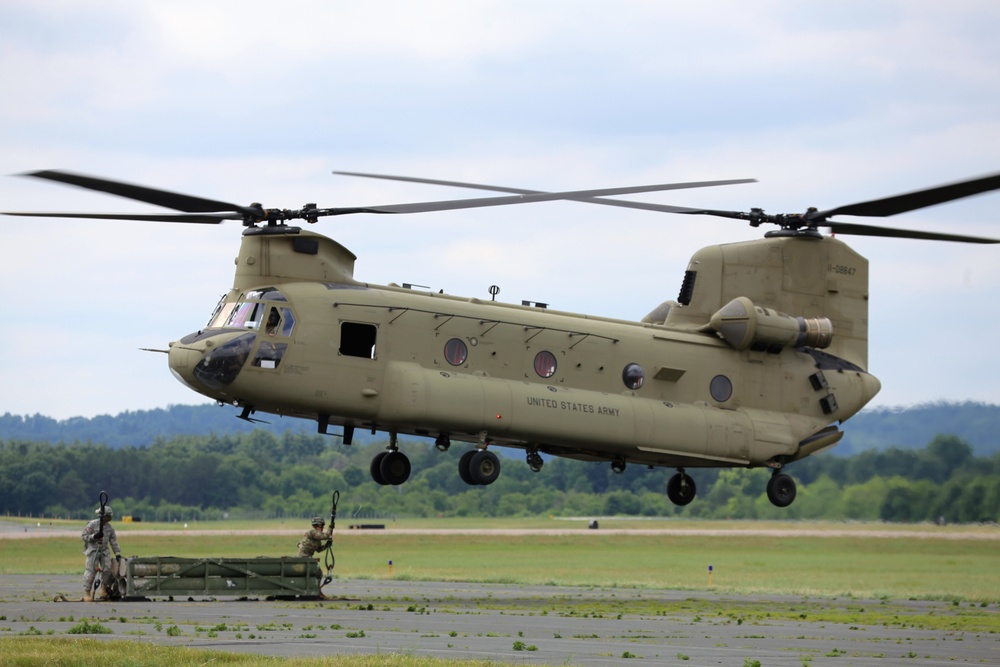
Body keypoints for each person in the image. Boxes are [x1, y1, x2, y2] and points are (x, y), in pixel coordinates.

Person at [82, 506, 121, 602]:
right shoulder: (92, 524)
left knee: (107, 569)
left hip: (104, 550)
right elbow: (84, 536)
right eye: (108, 516)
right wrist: (94, 536)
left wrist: (117, 553)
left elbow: (113, 542)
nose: (109, 518)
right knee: (91, 571)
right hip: (93, 550)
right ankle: (87, 593)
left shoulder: (110, 528)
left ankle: (103, 589)